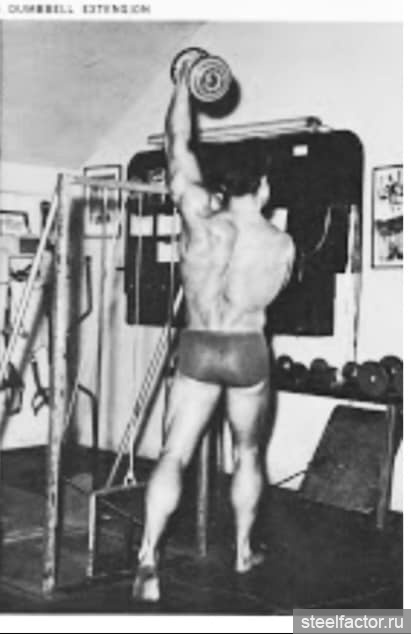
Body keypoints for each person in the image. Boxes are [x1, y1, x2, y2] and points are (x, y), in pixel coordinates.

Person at [132, 62, 295, 602]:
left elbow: (178, 142)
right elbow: (274, 295)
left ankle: (148, 558)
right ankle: (244, 551)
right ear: (264, 187)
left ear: (221, 186)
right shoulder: (282, 244)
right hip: (247, 350)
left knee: (174, 453)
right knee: (247, 453)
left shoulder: (200, 220)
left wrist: (184, 81)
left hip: (200, 345)